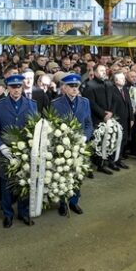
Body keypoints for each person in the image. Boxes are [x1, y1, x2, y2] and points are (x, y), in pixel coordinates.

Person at [0, 74, 38, 228]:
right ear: (7, 88)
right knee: (7, 185)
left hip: (26, 152)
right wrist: (1, 147)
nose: (16, 90)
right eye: (13, 87)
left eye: (19, 87)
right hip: (6, 153)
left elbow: (36, 128)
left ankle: (23, 212)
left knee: (24, 183)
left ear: (22, 87)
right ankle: (7, 214)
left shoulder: (31, 104)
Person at [51, 74, 93, 216]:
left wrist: (84, 138)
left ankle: (74, 202)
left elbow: (88, 124)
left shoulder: (85, 102)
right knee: (62, 174)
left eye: (77, 86)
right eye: (71, 86)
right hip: (63, 145)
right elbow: (53, 125)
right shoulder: (56, 103)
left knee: (77, 174)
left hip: (79, 145)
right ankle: (63, 203)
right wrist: (61, 140)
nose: (75, 89)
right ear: (64, 87)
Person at [82, 64, 116, 175]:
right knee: (94, 142)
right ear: (95, 72)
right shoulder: (90, 85)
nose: (104, 72)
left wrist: (111, 112)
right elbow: (91, 103)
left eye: (105, 70)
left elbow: (114, 100)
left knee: (105, 141)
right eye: (101, 70)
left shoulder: (109, 84)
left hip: (108, 116)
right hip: (96, 118)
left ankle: (102, 164)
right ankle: (89, 166)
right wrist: (103, 114)